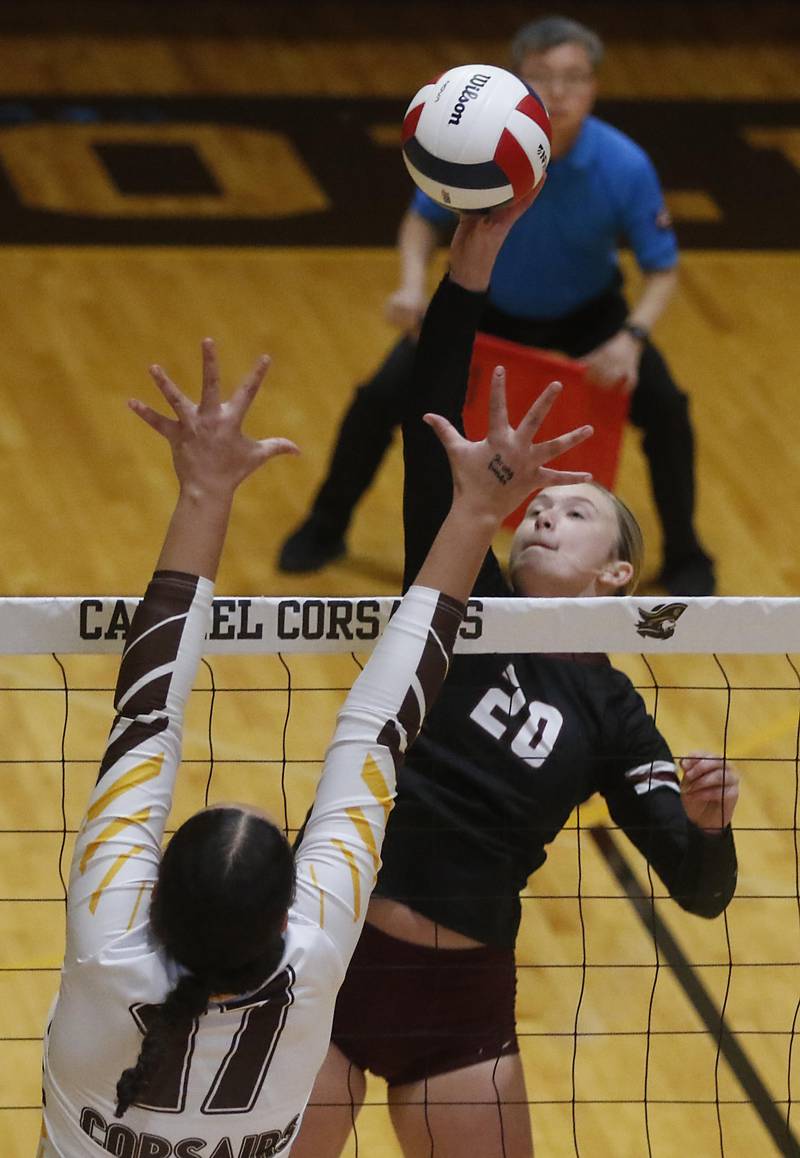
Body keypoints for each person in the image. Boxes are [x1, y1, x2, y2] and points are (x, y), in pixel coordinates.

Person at [38, 267, 593, 1157]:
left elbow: (152, 714)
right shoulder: (311, 954)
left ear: (155, 906)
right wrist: (474, 517)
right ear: (283, 912)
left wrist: (202, 493)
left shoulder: (124, 944)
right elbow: (378, 720)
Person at [289, 187, 740, 1158]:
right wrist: (471, 265)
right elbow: (430, 403)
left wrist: (707, 829)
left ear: (616, 574)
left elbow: (699, 891)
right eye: (540, 502)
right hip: (327, 955)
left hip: (457, 1004)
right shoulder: (458, 593)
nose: (543, 512)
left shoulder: (614, 714)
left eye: (575, 512)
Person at [278, 13, 716, 596]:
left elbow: (661, 269)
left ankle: (686, 553)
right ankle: (325, 525)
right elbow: (420, 223)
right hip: (485, 307)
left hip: (588, 315)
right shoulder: (482, 146)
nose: (558, 93)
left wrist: (630, 337)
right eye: (543, 77)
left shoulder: (625, 166)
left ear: (595, 87)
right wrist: (411, 287)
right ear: (518, 83)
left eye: (574, 78)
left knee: (666, 408)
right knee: (382, 396)